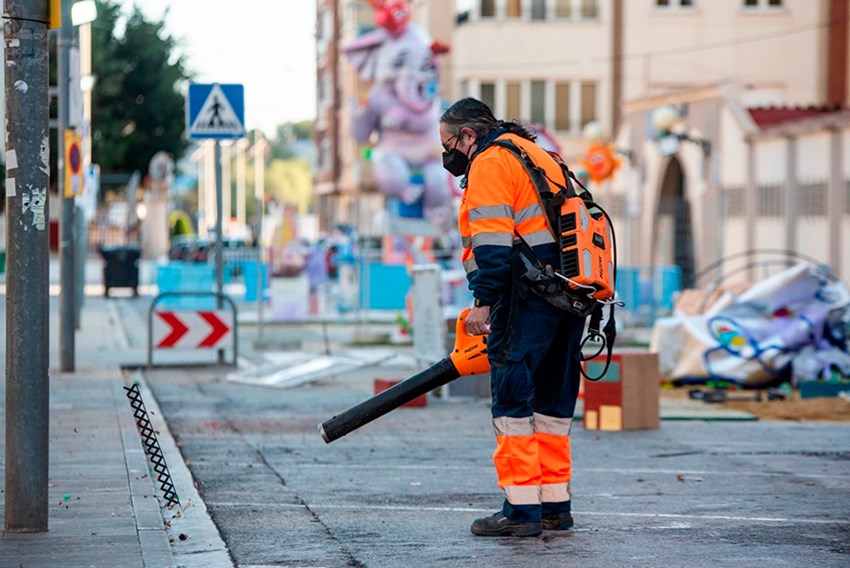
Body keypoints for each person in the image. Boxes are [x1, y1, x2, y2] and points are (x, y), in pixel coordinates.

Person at [439, 98, 586, 537]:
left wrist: (483, 303)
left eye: (448, 144)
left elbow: (492, 243)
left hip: (527, 297)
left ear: (468, 135)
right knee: (552, 406)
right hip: (570, 296)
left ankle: (521, 511)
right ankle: (555, 506)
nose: (447, 154)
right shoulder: (539, 155)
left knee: (512, 402)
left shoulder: (490, 162)